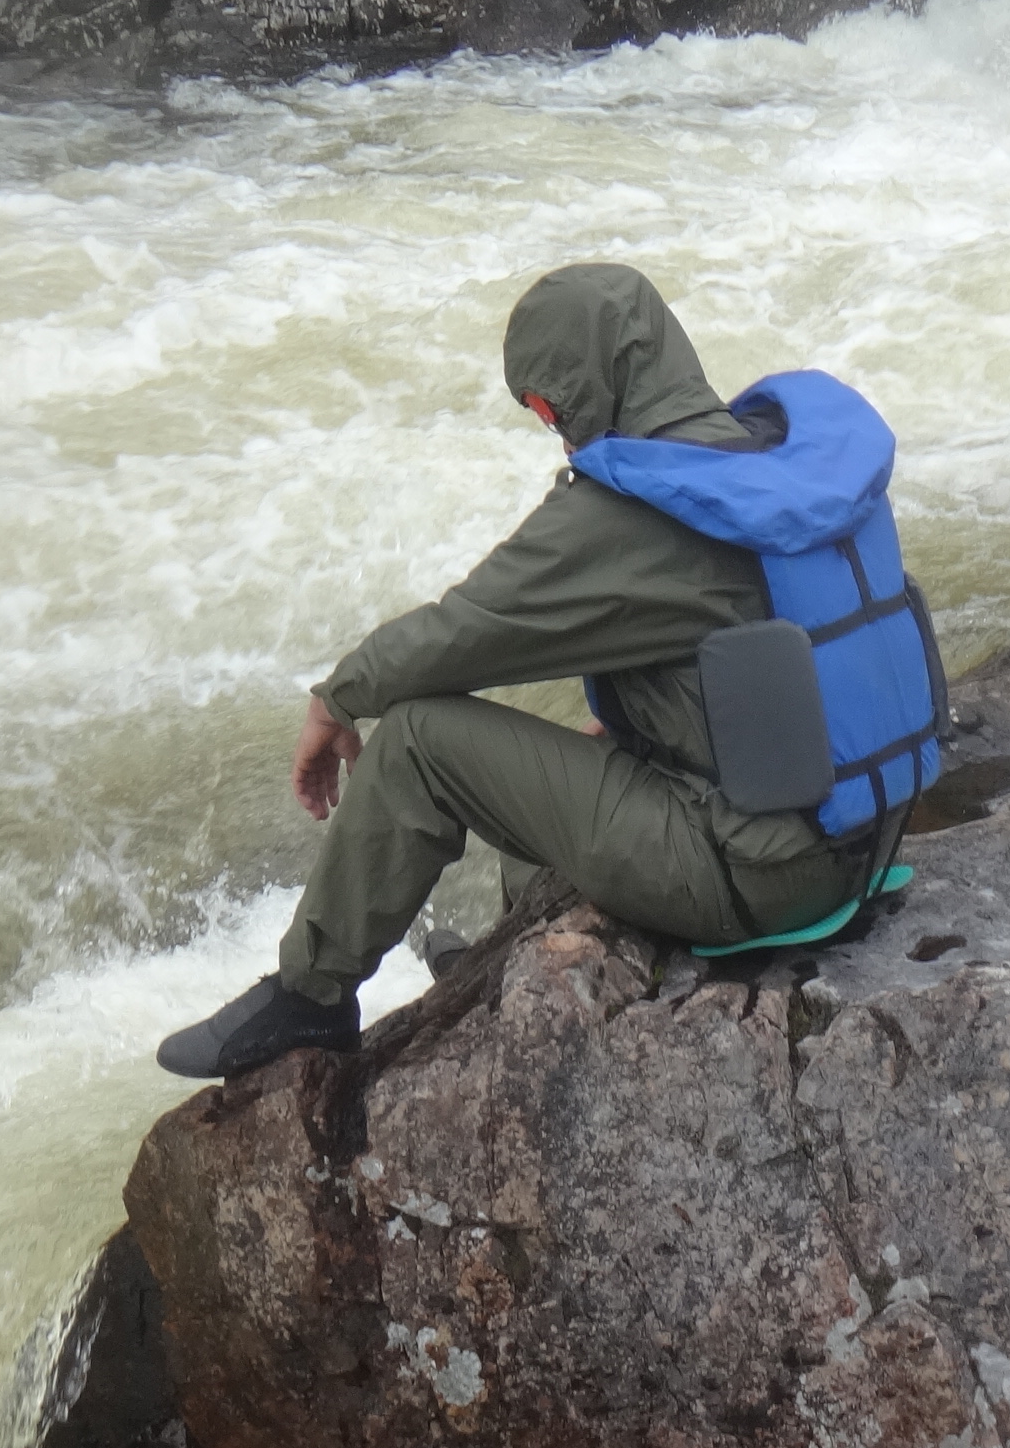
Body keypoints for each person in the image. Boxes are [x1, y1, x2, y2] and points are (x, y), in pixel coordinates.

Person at [154, 262, 937, 1081]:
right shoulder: (783, 466)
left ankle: (310, 998)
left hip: (757, 878)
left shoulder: (635, 510)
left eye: (544, 404)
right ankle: (505, 960)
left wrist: (337, 697)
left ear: (588, 386)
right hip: (865, 843)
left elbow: (465, 631)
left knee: (420, 741)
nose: (552, 427)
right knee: (582, 746)